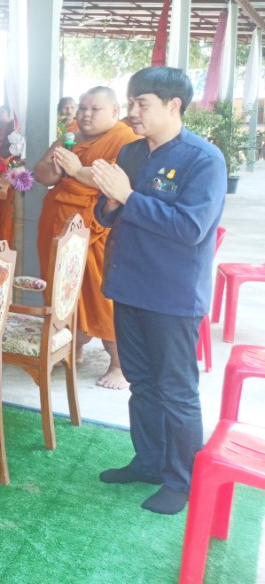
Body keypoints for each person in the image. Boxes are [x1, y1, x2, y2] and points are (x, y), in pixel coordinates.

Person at [92, 67, 226, 515]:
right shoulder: (131, 151)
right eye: (131, 102)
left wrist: (130, 197)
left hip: (172, 295)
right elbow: (107, 215)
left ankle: (181, 480)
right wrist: (113, 200)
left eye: (142, 104)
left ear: (174, 105)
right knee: (142, 383)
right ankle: (148, 462)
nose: (132, 112)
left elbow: (190, 228)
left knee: (176, 390)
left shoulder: (203, 160)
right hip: (129, 286)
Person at [33, 87, 141, 389]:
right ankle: (72, 348)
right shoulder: (70, 135)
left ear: (115, 112)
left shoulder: (126, 140)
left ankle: (119, 365)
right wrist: (56, 171)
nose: (85, 115)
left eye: (95, 109)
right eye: (82, 108)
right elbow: (40, 171)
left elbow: (111, 180)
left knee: (101, 294)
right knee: (61, 288)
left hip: (98, 223)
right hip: (58, 220)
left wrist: (76, 169)